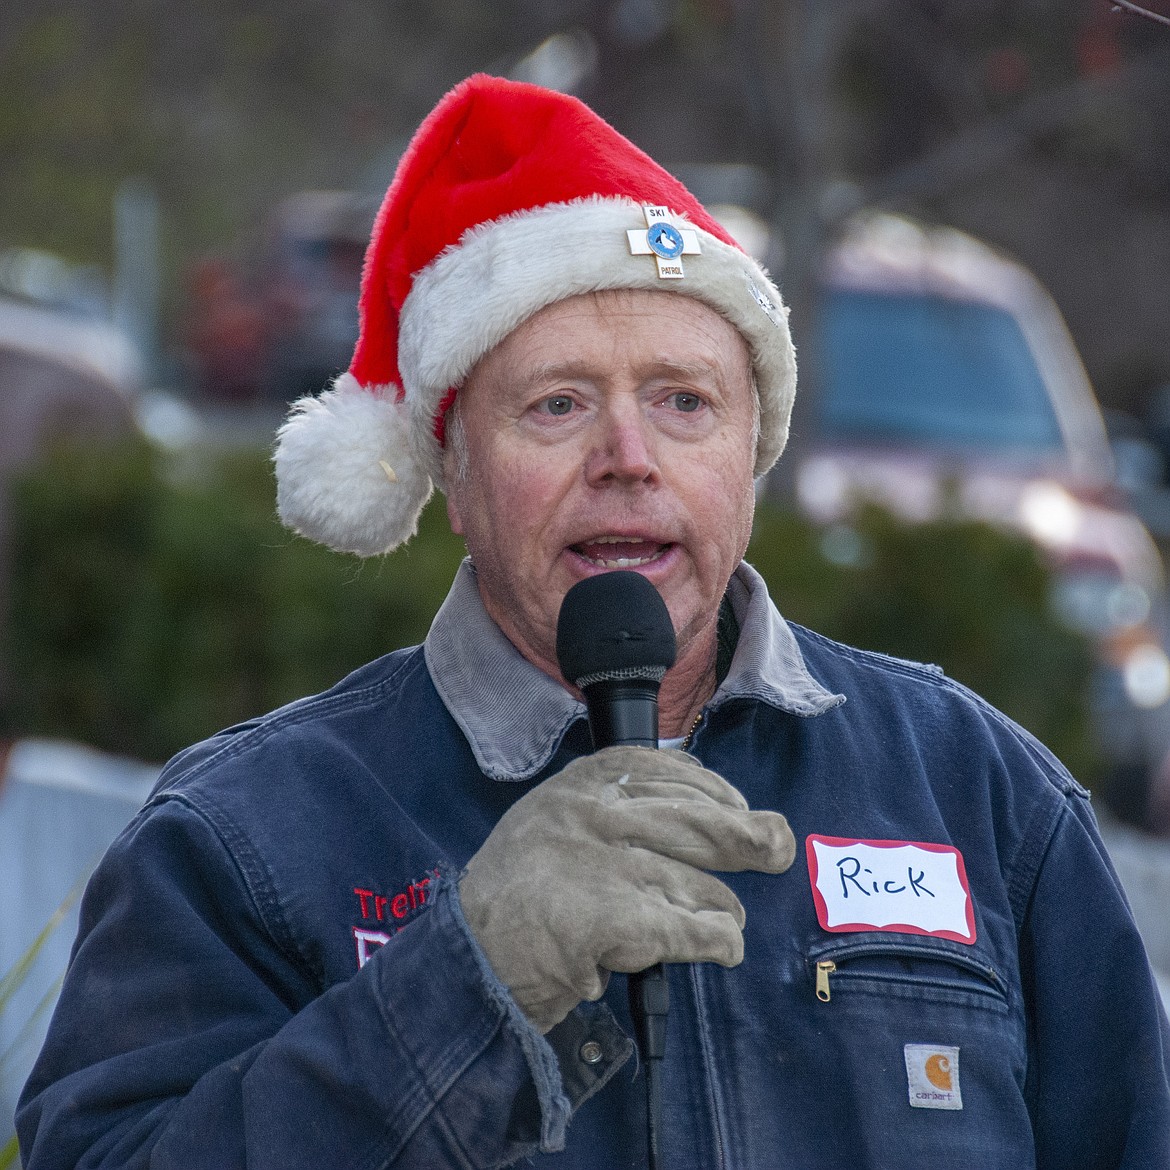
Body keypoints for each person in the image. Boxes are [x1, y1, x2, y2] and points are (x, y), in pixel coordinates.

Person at [16, 74, 1170, 1169]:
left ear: (749, 455)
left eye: (684, 401)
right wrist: (471, 987)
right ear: (454, 475)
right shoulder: (245, 839)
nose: (629, 460)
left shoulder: (980, 796)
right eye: (558, 404)